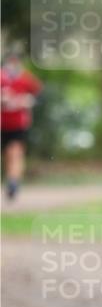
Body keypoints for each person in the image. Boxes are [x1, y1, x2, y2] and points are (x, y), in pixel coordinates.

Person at [1, 50, 43, 200]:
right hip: (2, 123)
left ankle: (13, 182)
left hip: (19, 123)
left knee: (15, 152)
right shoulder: (1, 77)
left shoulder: (26, 78)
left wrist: (28, 100)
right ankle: (11, 178)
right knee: (7, 154)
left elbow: (39, 95)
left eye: (15, 62)